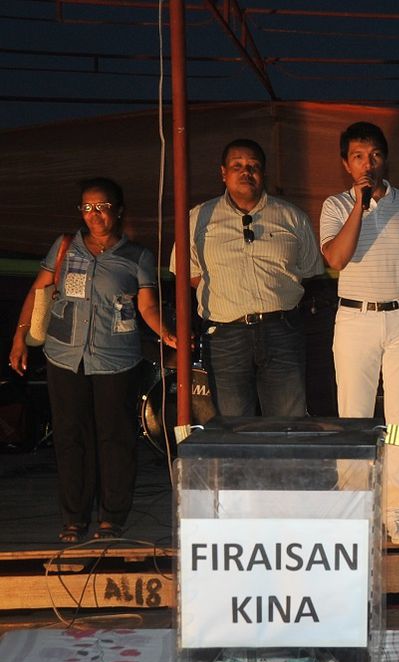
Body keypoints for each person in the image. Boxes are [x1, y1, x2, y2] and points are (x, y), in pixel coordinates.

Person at [9, 178, 177, 543]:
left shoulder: (138, 257)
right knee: (71, 438)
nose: (94, 214)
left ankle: (112, 517)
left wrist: (166, 333)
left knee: (115, 439)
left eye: (102, 206)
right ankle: (74, 517)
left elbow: (147, 306)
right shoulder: (65, 247)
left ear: (118, 211)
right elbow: (38, 291)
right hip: (64, 357)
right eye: (87, 207)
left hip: (115, 359)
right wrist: (19, 338)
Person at [319, 122, 399, 544]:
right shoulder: (335, 205)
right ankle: (356, 510)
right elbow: (337, 257)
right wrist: (360, 204)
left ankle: (396, 512)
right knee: (354, 419)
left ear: (384, 159)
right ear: (345, 163)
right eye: (358, 156)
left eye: (373, 155)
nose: (366, 163)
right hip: (356, 320)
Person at [172, 138, 323, 417]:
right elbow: (190, 275)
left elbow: (311, 273)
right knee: (233, 424)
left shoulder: (292, 217)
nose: (246, 172)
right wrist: (233, 295)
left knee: (287, 423)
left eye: (253, 166)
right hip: (225, 335)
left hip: (282, 330)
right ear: (223, 173)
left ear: (263, 172)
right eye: (237, 166)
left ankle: (283, 463)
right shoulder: (199, 217)